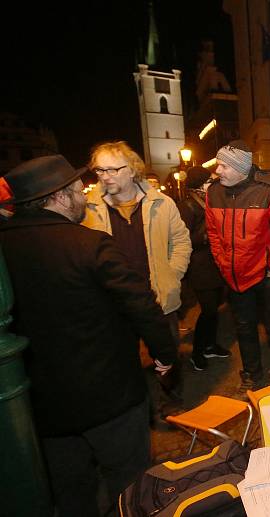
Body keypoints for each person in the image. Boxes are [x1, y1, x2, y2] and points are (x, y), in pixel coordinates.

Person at [0, 155, 179, 517]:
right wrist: (165, 355)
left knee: (71, 495)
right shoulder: (89, 244)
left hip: (44, 408)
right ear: (61, 197)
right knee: (129, 488)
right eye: (79, 189)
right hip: (110, 397)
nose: (86, 194)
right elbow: (142, 306)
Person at [206, 140, 270, 390]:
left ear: (240, 168)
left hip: (267, 275)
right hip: (234, 276)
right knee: (244, 328)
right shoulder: (213, 192)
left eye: (223, 166)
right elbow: (212, 232)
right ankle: (253, 375)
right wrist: (222, 262)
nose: (218, 171)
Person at [84, 141, 191, 338]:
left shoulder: (162, 203)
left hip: (159, 300)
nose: (105, 177)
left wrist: (172, 274)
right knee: (123, 365)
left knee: (168, 360)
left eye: (113, 170)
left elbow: (180, 241)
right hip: (113, 305)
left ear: (133, 170)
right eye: (100, 170)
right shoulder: (87, 209)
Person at [176, 166, 229, 371]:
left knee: (214, 309)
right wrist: (206, 235)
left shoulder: (209, 202)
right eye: (209, 182)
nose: (212, 186)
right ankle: (197, 352)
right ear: (200, 185)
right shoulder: (187, 206)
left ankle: (210, 345)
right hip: (199, 268)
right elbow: (182, 240)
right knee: (207, 310)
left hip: (215, 265)